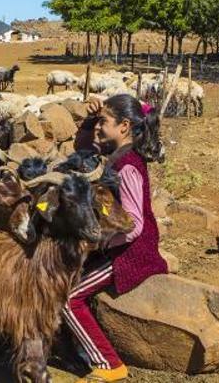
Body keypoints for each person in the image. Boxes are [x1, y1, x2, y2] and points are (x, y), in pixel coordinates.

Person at [66, 94, 168, 383]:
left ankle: (110, 364)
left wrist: (99, 242)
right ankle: (79, 347)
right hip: (117, 248)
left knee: (68, 297)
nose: (98, 127)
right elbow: (82, 148)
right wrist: (89, 120)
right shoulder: (118, 155)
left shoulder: (128, 166)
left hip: (131, 253)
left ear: (124, 126)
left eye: (103, 122)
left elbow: (133, 225)